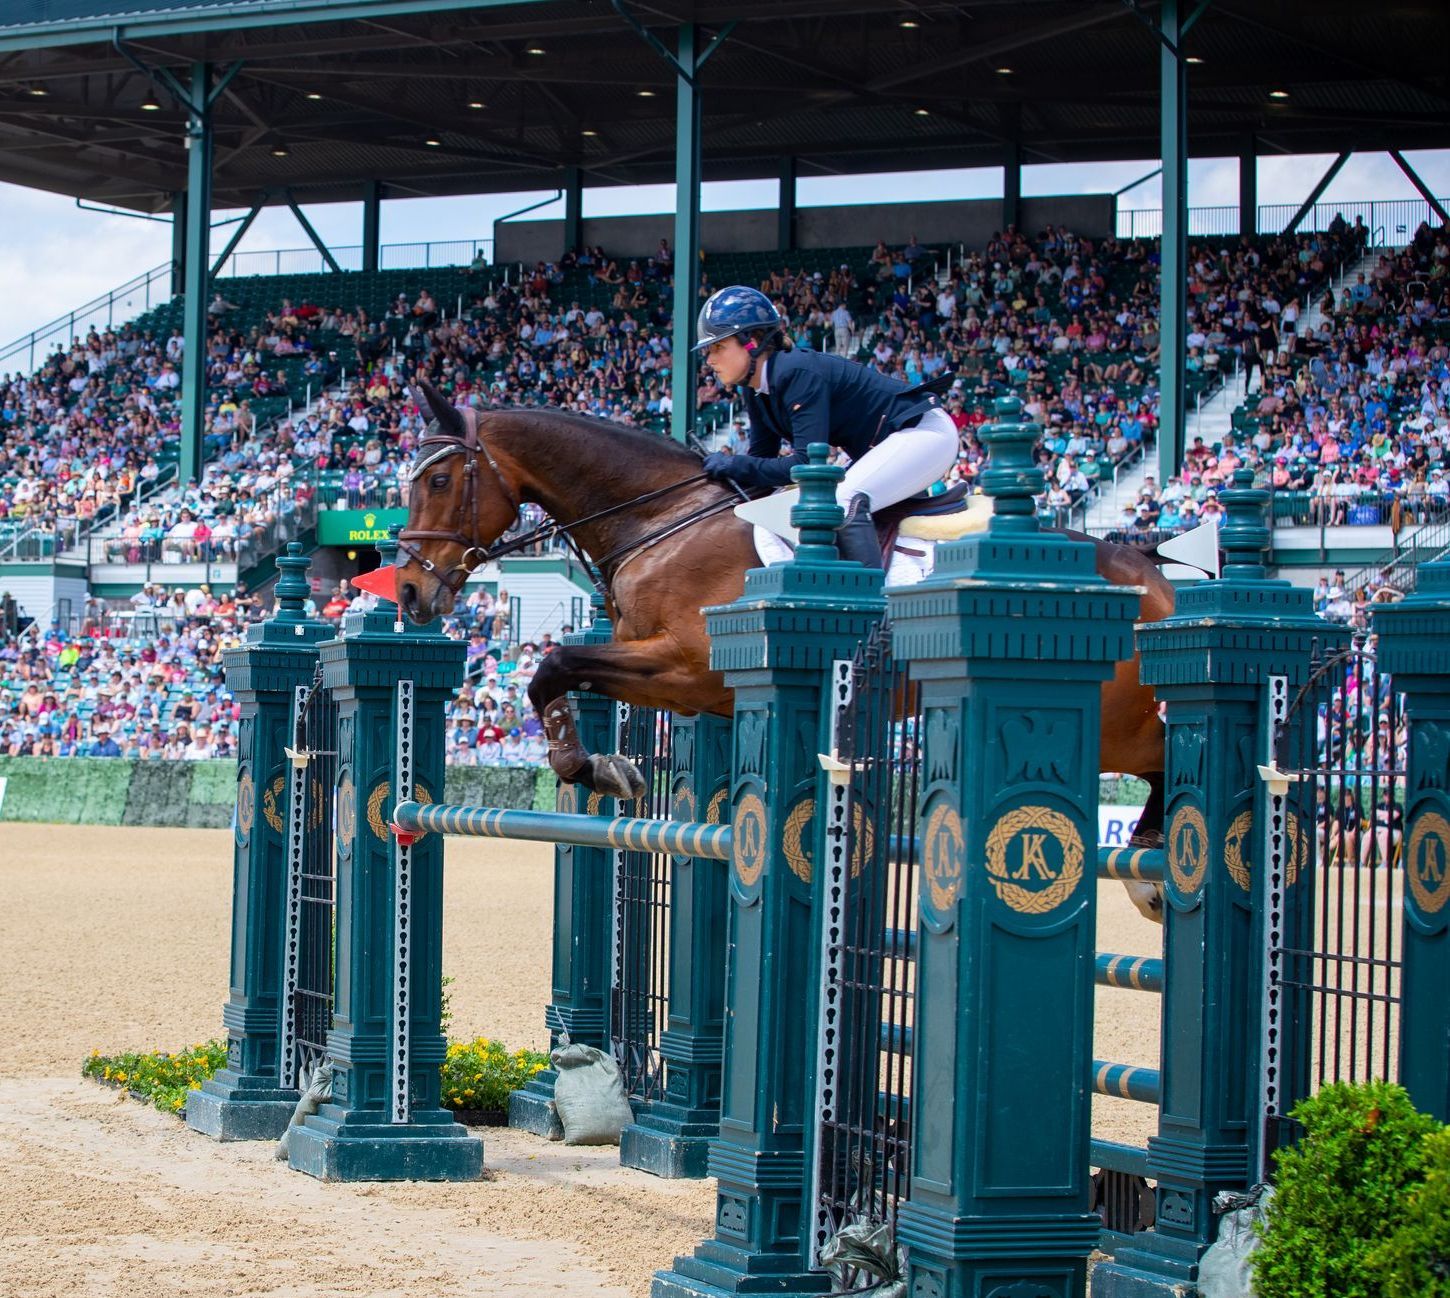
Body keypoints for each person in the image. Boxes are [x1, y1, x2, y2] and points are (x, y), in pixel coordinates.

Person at [694, 285, 958, 568]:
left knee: (843, 501)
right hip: (889, 442)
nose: (709, 360)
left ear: (752, 341)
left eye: (718, 347)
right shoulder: (755, 389)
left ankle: (871, 606)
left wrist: (733, 464)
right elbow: (763, 462)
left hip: (922, 432)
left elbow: (806, 465)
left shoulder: (795, 372)